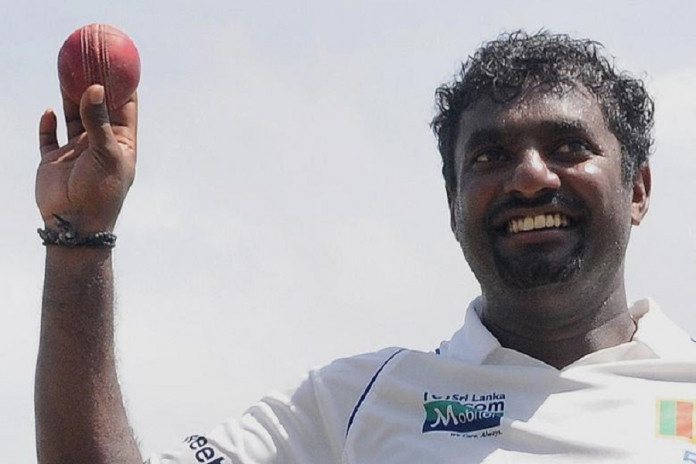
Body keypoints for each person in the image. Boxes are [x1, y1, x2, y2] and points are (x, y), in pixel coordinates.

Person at [34, 31, 696, 464]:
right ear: (453, 204)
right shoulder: (354, 404)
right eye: (489, 155)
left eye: (568, 146)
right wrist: (78, 238)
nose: (529, 176)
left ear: (637, 189)